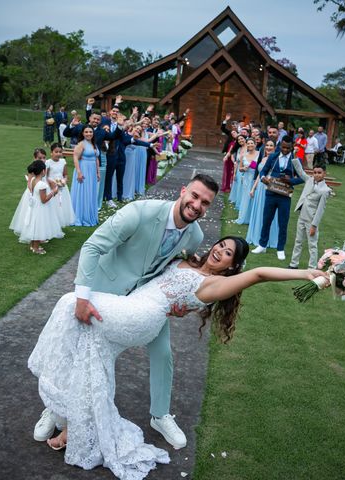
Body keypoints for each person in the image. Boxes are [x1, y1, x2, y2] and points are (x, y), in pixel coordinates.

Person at [28, 234, 328, 479]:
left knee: (71, 302)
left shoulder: (217, 285)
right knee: (91, 357)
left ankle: (53, 388)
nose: (218, 251)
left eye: (226, 254)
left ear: (232, 266)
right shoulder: (188, 260)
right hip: (130, 304)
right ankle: (73, 425)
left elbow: (260, 274)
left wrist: (306, 273)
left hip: (142, 315)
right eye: (220, 245)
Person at [32, 174, 220, 450]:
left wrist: (178, 306)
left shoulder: (195, 236)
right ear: (183, 191)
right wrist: (83, 297)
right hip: (102, 290)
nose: (197, 205)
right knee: (76, 349)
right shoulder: (140, 212)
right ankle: (54, 408)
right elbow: (93, 246)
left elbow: (176, 270)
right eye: (194, 196)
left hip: (143, 301)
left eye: (205, 203)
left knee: (163, 352)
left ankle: (160, 415)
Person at [251, 135, 305, 260]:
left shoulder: (296, 159)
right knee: (266, 220)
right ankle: (262, 245)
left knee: (283, 222)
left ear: (292, 147)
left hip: (285, 196)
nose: (285, 150)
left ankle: (280, 249)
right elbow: (263, 171)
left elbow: (302, 178)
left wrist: (290, 180)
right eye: (283, 147)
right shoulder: (273, 157)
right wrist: (263, 178)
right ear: (280, 146)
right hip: (271, 193)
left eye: (288, 148)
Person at [288, 162, 330, 269]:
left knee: (312, 245)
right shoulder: (309, 180)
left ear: (324, 173)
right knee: (298, 241)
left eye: (319, 173)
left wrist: (314, 225)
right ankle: (293, 264)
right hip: (301, 216)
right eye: (315, 172)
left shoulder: (325, 190)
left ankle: (312, 267)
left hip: (311, 220)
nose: (316, 175)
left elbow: (320, 210)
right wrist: (295, 156)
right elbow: (300, 171)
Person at [18, 160, 63, 253]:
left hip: (34, 206)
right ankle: (36, 248)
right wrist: (53, 192)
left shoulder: (33, 180)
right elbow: (44, 200)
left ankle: (32, 245)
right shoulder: (42, 184)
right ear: (43, 171)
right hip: (40, 208)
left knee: (34, 225)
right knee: (38, 226)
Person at [246, 139, 279, 247]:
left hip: (270, 188)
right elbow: (260, 174)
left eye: (271, 145)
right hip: (260, 188)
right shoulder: (263, 158)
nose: (269, 147)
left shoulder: (277, 159)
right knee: (259, 211)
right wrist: (253, 189)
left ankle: (268, 238)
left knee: (268, 213)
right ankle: (257, 235)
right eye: (267, 145)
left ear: (274, 148)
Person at [70, 127, 100, 226]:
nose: (88, 134)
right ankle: (81, 216)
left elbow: (96, 159)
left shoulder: (93, 144)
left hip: (92, 172)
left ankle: (89, 214)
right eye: (86, 132)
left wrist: (98, 172)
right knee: (83, 192)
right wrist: (79, 172)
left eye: (90, 132)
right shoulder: (81, 144)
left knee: (90, 192)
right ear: (83, 133)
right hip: (84, 170)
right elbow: (75, 157)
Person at [45, 143, 75, 227]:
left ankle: (59, 222)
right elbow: (45, 177)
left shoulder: (63, 161)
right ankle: (51, 223)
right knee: (53, 205)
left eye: (60, 152)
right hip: (52, 187)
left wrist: (64, 180)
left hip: (62, 187)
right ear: (51, 152)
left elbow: (65, 174)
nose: (58, 154)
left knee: (61, 205)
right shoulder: (48, 162)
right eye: (56, 152)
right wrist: (52, 182)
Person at [236, 138, 258, 224]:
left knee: (254, 197)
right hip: (246, 179)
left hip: (255, 179)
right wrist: (243, 169)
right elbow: (240, 168)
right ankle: (244, 217)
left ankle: (252, 218)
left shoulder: (259, 154)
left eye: (251, 143)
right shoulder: (243, 155)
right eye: (248, 143)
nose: (250, 145)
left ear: (255, 144)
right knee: (245, 197)